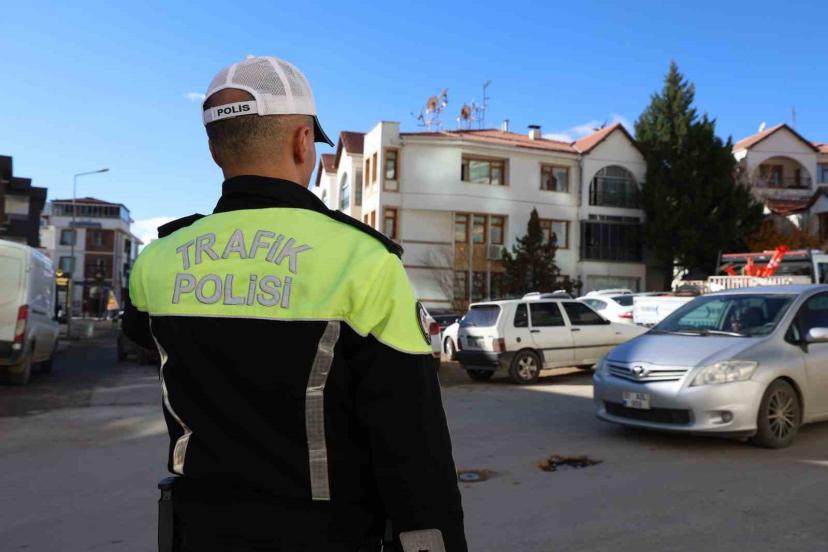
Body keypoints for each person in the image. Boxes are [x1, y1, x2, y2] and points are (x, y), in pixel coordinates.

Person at [122, 56, 466, 552]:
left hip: (199, 535)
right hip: (328, 538)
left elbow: (141, 334)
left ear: (215, 149)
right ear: (303, 141)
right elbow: (413, 446)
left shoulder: (157, 261)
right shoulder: (363, 261)